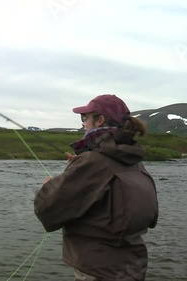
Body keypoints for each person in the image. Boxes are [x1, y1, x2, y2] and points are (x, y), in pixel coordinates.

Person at [34, 94, 159, 281]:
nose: (83, 123)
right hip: (132, 267)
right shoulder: (135, 162)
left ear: (99, 120)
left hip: (98, 271)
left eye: (85, 118)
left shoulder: (93, 162)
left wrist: (48, 187)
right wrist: (82, 165)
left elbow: (47, 209)